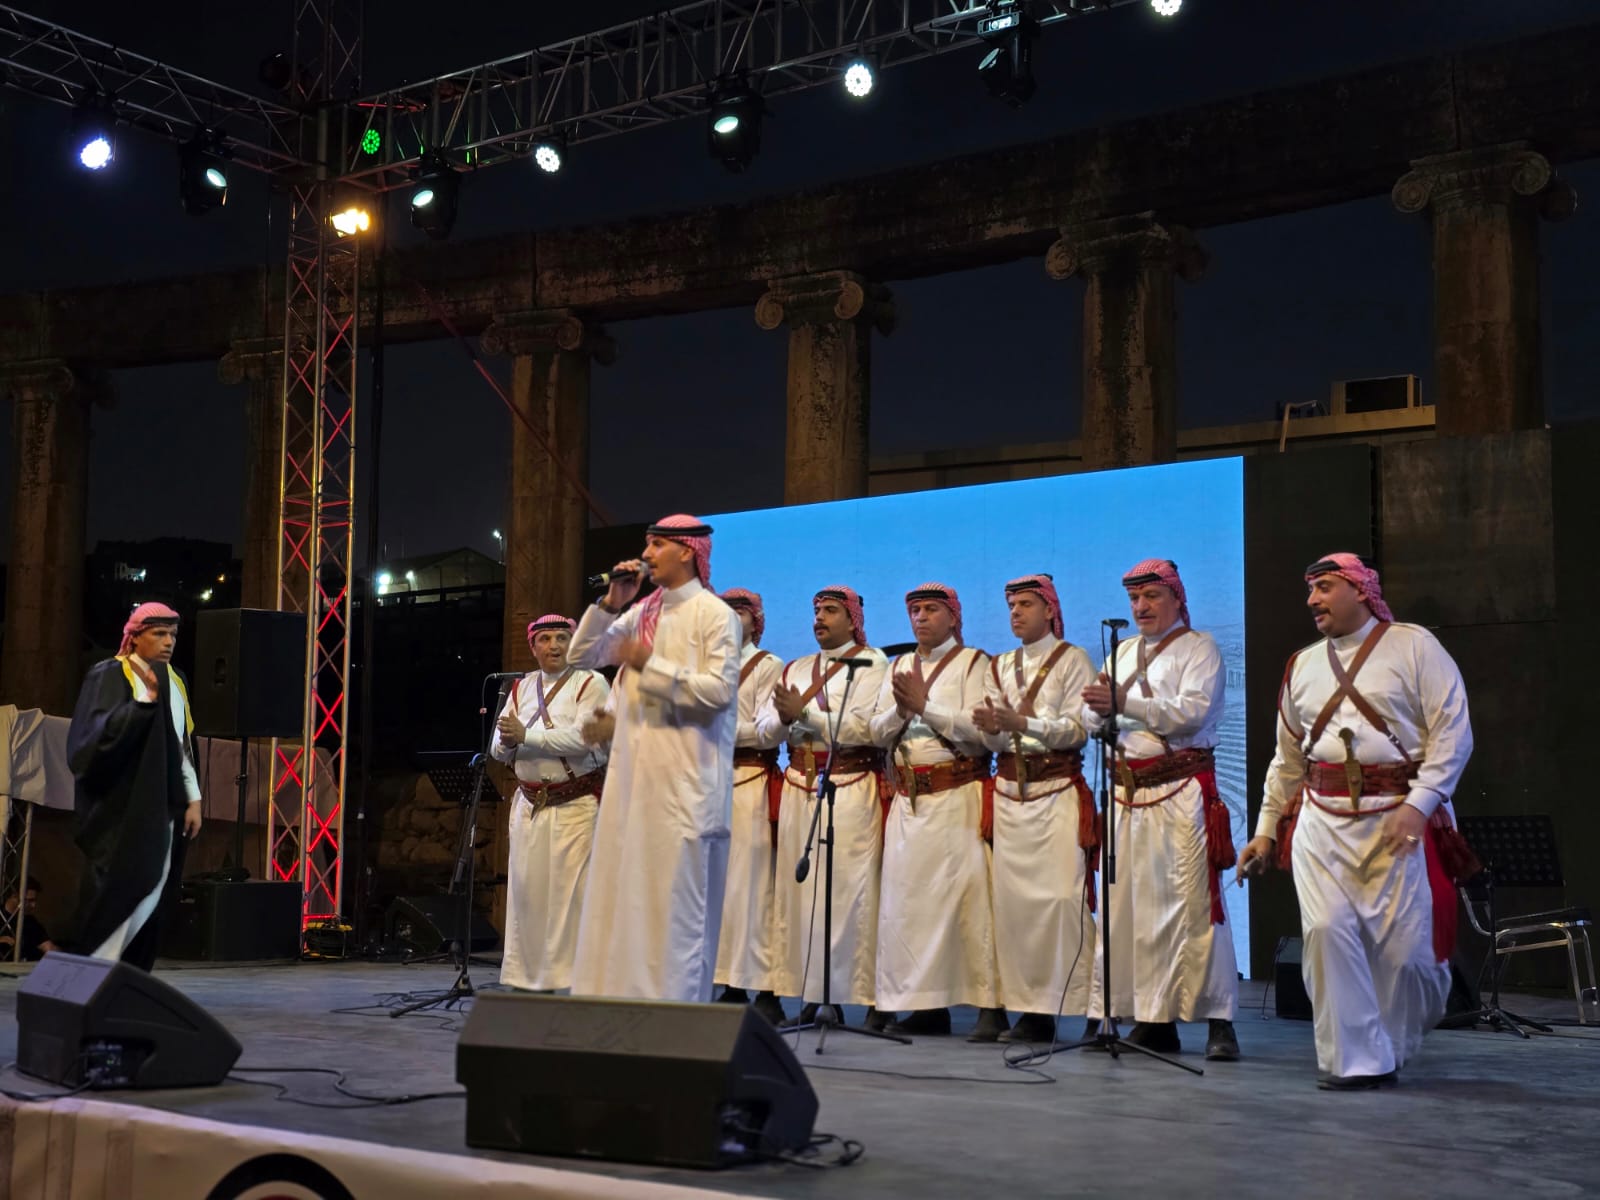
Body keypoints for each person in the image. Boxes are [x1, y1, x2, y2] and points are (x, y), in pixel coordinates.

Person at [1237, 553, 1473, 1090]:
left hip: (1398, 818)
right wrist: (1266, 829)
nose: (1312, 600)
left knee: (1408, 956)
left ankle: (1389, 1045)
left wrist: (1420, 804)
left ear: (1361, 590)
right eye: (1310, 590)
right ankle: (1356, 1060)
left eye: (1324, 587)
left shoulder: (1414, 646)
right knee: (1326, 933)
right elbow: (1287, 759)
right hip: (1321, 820)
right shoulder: (1302, 664)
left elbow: (1453, 734)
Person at [566, 515, 741, 1002]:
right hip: (633, 782)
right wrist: (611, 603)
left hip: (686, 786)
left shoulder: (714, 614)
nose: (645, 553)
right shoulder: (642, 611)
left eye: (657, 544)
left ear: (687, 551)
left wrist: (650, 663)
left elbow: (718, 693)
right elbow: (582, 657)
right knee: (627, 899)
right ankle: (625, 1004)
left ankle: (676, 1013)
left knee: (678, 908)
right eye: (646, 543)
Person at [1081, 559, 1240, 1061]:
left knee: (1194, 903)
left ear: (1176, 598)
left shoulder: (1199, 648)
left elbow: (1191, 714)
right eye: (1134, 599)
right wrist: (1099, 711)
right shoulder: (1121, 652)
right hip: (1127, 796)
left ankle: (1219, 1021)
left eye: (1151, 596)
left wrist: (1123, 704)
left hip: (1180, 792)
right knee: (1130, 907)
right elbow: (1089, 715)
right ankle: (1152, 1020)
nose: (1141, 607)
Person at [869, 582, 1005, 1041]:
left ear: (953, 616)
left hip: (957, 794)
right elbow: (875, 730)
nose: (921, 618)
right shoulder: (899, 666)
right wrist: (901, 712)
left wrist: (925, 707)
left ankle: (989, 1006)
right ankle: (926, 1004)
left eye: (930, 609)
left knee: (970, 902)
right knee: (911, 906)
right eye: (915, 611)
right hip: (909, 801)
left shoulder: (974, 663)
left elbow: (981, 734)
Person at [756, 585, 889, 1029]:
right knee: (803, 895)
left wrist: (806, 715)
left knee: (852, 891)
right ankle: (815, 993)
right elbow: (765, 728)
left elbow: (864, 728)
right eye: (816, 610)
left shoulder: (872, 663)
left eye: (830, 610)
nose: (820, 618)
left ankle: (866, 997)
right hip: (800, 785)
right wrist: (785, 719)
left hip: (849, 785)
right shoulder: (796, 668)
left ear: (852, 619)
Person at [973, 573, 1098, 1045]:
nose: (1016, 613)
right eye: (1011, 606)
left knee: (1063, 900)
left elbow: (1078, 730)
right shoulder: (1000, 664)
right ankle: (1033, 1012)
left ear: (1049, 609)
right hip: (1010, 795)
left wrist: (1022, 723)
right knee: (1016, 908)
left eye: (1025, 604)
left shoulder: (1073, 659)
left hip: (1056, 789)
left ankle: (1090, 1004)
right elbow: (993, 740)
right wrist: (992, 730)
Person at [58, 602, 203, 971]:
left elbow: (180, 745)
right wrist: (142, 704)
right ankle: (88, 977)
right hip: (121, 809)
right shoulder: (110, 673)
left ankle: (132, 977)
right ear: (135, 637)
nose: (168, 642)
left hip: (162, 805)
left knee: (157, 891)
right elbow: (92, 742)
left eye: (173, 635)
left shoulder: (174, 680)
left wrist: (193, 798)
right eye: (159, 633)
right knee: (117, 892)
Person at [490, 614, 610, 992]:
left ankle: (573, 981)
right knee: (527, 895)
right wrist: (507, 742)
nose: (554, 645)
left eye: (561, 638)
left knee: (569, 897)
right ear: (533, 647)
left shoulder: (591, 683)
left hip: (575, 805)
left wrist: (527, 736)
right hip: (529, 805)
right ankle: (527, 979)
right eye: (545, 639)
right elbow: (497, 748)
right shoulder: (521, 688)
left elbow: (585, 739)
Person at [712, 588, 787, 1024]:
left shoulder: (767, 665)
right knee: (722, 889)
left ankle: (768, 988)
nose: (731, 619)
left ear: (755, 621)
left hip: (750, 782)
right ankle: (731, 982)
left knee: (755, 887)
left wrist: (717, 729)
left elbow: (766, 730)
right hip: (711, 786)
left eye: (740, 612)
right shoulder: (707, 668)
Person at [0, 877, 51, 962]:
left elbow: (48, 947)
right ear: (14, 896)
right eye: (30, 900)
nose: (33, 905)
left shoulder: (30, 922)